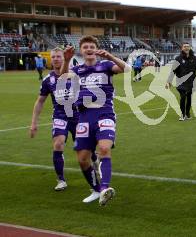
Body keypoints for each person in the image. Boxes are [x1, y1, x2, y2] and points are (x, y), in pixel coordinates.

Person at [61, 36, 129, 205]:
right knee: (82, 159)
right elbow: (63, 76)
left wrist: (110, 57)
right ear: (81, 51)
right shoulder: (77, 70)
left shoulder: (105, 66)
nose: (89, 49)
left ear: (96, 49)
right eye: (85, 47)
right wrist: (67, 59)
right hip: (83, 118)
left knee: (104, 148)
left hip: (104, 114)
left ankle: (105, 187)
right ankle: (97, 190)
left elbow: (126, 69)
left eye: (92, 46)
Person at [30, 48, 99, 191]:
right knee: (58, 144)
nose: (56, 59)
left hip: (79, 116)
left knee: (86, 150)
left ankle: (95, 160)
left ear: (64, 58)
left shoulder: (76, 75)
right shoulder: (48, 80)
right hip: (60, 116)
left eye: (58, 56)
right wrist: (34, 123)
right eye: (53, 57)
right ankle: (61, 179)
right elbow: (40, 101)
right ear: (51, 59)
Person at [166, 43, 196, 121]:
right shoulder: (178, 58)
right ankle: (182, 114)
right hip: (180, 82)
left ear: (190, 48)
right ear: (182, 48)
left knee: (189, 98)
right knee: (183, 96)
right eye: (185, 47)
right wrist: (169, 81)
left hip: (191, 81)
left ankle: (187, 113)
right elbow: (173, 71)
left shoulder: (194, 58)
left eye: (188, 46)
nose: (186, 48)